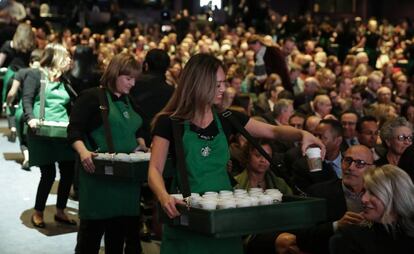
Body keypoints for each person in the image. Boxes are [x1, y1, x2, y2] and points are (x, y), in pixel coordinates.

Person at [148, 53, 324, 254]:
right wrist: (163, 197)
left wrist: (302, 134)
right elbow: (154, 168)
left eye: (224, 83)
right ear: (199, 83)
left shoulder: (227, 118)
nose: (223, 89)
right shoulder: (169, 122)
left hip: (224, 217)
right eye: (217, 84)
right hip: (187, 215)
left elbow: (273, 131)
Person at [68, 52, 148, 254]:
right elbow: (74, 130)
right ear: (114, 74)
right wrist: (83, 152)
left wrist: (141, 144)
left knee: (117, 240)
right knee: (90, 239)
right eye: (128, 78)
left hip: (125, 181)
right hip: (98, 178)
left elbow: (137, 127)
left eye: (134, 79)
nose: (132, 84)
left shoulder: (129, 100)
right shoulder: (91, 96)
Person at [277, 145, 374, 254]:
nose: (351, 167)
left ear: (372, 169)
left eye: (359, 163)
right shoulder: (319, 193)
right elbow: (303, 235)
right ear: (342, 163)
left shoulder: (378, 195)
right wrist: (336, 225)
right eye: (348, 160)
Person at [22, 43, 76, 228]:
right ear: (57, 58)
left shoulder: (65, 79)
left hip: (62, 132)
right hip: (41, 132)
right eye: (67, 56)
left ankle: (61, 210)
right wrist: (30, 118)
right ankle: (38, 211)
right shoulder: (36, 74)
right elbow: (27, 99)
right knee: (48, 174)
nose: (70, 59)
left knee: (68, 172)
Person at [330, 164, 414, 254]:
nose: (363, 199)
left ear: (395, 197)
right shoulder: (350, 238)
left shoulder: (409, 233)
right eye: (364, 191)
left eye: (373, 193)